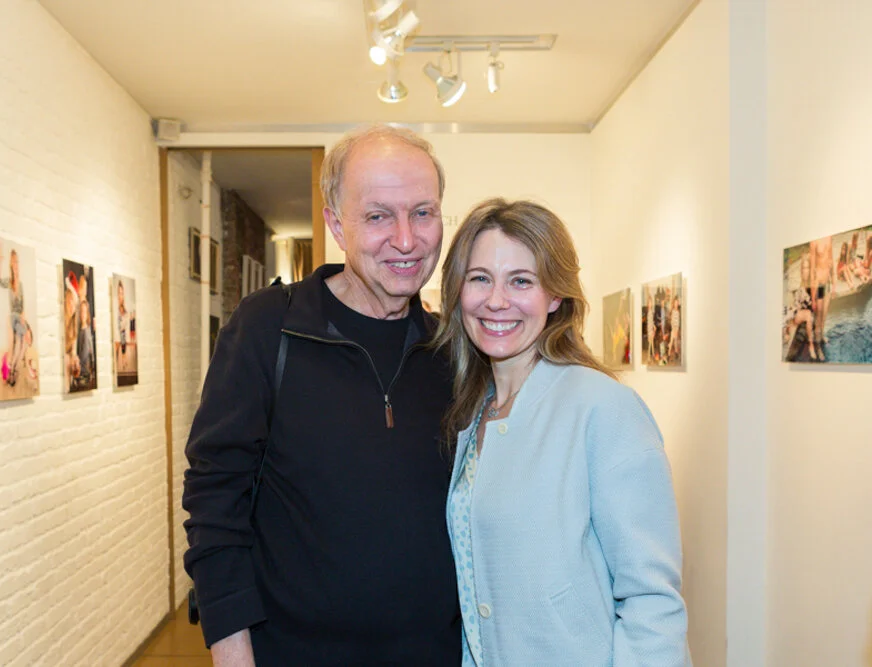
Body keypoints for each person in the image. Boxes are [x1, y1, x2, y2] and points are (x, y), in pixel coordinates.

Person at [183, 125, 461, 666]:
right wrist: (232, 651)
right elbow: (215, 497)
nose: (406, 240)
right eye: (378, 216)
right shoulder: (270, 328)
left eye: (423, 212)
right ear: (336, 225)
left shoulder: (452, 351)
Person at [433, 198, 690, 665]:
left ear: (555, 296)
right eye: (480, 279)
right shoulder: (473, 410)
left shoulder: (602, 407)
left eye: (521, 281)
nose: (496, 300)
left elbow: (651, 599)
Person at [0, 242, 32, 387]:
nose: (16, 265)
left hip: (20, 318)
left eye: (17, 262)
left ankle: (14, 370)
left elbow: (23, 305)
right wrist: (0, 261)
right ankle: (12, 371)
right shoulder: (10, 282)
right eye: (14, 262)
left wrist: (25, 320)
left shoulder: (20, 284)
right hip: (13, 318)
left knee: (23, 346)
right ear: (11, 264)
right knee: (18, 344)